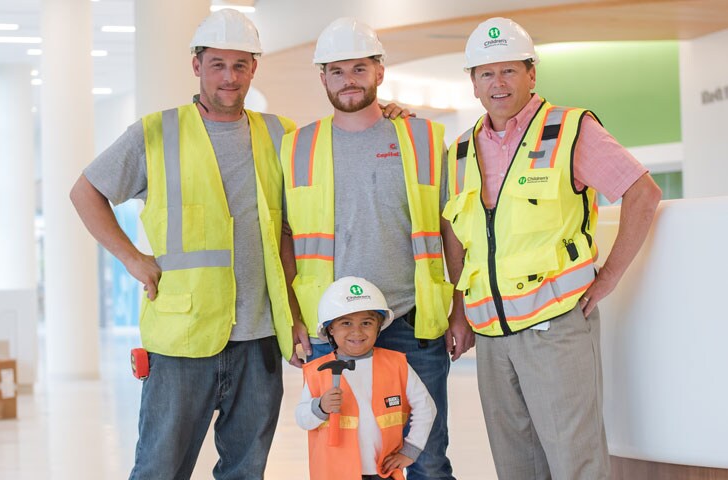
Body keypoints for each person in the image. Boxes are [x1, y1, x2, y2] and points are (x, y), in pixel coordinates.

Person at [69, 9, 298, 479]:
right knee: (160, 469)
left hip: (259, 335)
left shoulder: (282, 134)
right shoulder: (156, 132)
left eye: (240, 65)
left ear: (254, 67)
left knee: (246, 470)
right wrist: (132, 259)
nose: (229, 77)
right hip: (182, 339)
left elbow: (293, 230)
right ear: (196, 66)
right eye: (217, 64)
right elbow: (85, 191)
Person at [442, 17, 663, 480]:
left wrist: (609, 277)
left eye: (508, 71)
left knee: (574, 463)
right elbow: (457, 235)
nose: (497, 83)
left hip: (555, 327)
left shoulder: (570, 128)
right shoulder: (460, 151)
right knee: (515, 466)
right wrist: (460, 311)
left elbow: (642, 193)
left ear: (531, 74)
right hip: (491, 336)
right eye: (486, 73)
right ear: (473, 83)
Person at [280, 17, 474, 480]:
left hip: (412, 319)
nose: (349, 80)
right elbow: (284, 238)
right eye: (337, 71)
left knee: (427, 455)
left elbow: (451, 228)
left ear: (380, 73)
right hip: (334, 328)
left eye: (359, 69)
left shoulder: (423, 138)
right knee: (345, 450)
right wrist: (290, 317)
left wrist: (460, 310)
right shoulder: (295, 146)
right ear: (322, 77)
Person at [296, 276, 436, 480]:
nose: (357, 331)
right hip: (335, 474)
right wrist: (320, 407)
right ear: (330, 329)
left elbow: (426, 407)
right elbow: (302, 419)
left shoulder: (396, 365)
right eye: (346, 323)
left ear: (378, 327)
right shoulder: (317, 372)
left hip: (383, 471)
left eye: (366, 323)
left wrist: (410, 451)